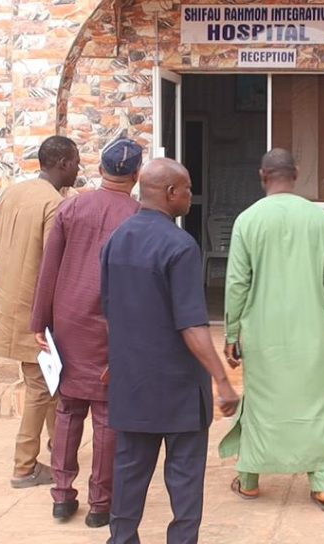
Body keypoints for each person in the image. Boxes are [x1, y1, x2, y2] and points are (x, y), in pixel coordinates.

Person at [218, 149, 324, 512]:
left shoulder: (248, 220)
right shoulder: (319, 219)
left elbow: (237, 282)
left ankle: (249, 480)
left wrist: (232, 332)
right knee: (319, 402)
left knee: (261, 403)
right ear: (297, 174)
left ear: (262, 175)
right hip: (312, 330)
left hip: (263, 332)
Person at [101, 157, 240, 544]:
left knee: (129, 471)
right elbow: (191, 325)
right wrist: (221, 379)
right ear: (170, 192)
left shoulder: (116, 241)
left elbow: (109, 311)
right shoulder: (180, 246)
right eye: (188, 189)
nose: (191, 196)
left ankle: (121, 537)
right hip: (179, 390)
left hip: (132, 383)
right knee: (184, 477)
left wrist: (116, 360)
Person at [30, 138, 143, 527]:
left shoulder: (72, 207)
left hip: (69, 322)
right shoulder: (137, 216)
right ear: (136, 175)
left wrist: (39, 323)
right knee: (107, 414)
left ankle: (62, 496)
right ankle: (100, 505)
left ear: (100, 170)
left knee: (68, 408)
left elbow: (49, 268)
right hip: (113, 327)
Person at [0, 135, 80, 488]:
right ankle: (24, 467)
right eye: (76, 162)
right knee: (41, 387)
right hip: (36, 312)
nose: (78, 169)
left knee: (52, 383)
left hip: (9, 305)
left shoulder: (12, 193)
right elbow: (55, 266)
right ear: (63, 164)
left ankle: (59, 448)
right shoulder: (55, 204)